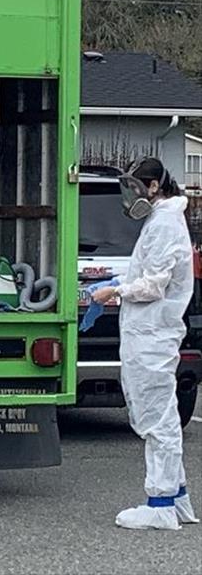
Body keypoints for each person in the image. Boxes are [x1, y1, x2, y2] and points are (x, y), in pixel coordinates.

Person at [92, 157, 199, 530]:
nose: (130, 196)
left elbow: (154, 285)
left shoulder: (166, 222)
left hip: (153, 334)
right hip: (149, 333)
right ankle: (179, 498)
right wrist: (109, 281)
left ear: (154, 186)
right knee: (160, 416)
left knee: (156, 420)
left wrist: (114, 290)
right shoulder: (162, 221)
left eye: (136, 188)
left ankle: (161, 503)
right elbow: (149, 271)